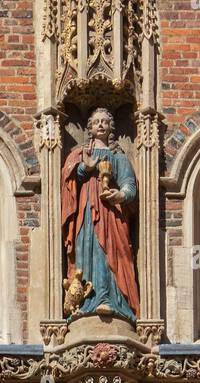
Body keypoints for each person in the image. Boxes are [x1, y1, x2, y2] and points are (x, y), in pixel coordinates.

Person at [61, 107, 139, 323]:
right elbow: (69, 179)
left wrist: (120, 195)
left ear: (111, 127)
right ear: (90, 128)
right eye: (97, 122)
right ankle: (86, 303)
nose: (101, 125)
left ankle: (114, 301)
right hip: (86, 210)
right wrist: (85, 169)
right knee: (88, 250)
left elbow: (129, 185)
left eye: (105, 121)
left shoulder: (117, 156)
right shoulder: (81, 153)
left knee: (113, 253)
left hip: (111, 212)